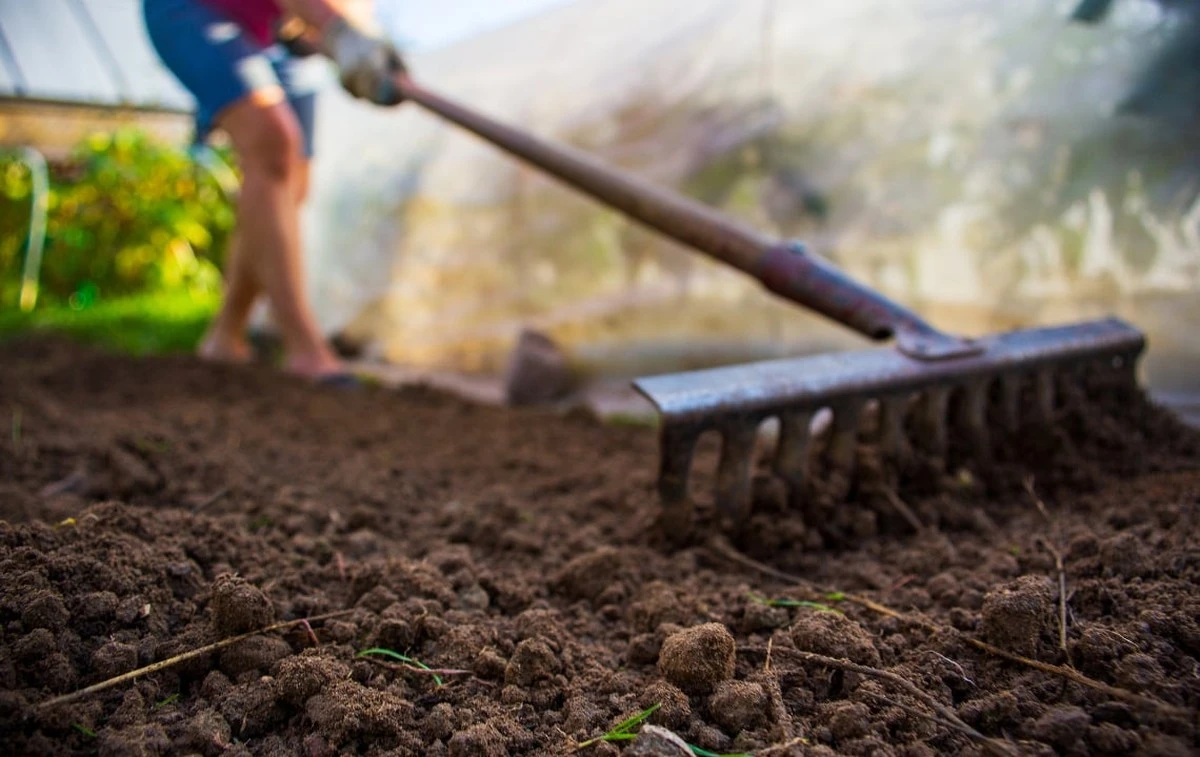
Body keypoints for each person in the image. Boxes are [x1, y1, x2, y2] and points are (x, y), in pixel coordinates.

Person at [141, 0, 406, 383]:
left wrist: (363, 44)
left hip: (275, 30)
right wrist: (338, 31)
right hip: (196, 9)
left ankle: (226, 335)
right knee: (272, 143)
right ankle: (305, 348)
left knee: (292, 183)